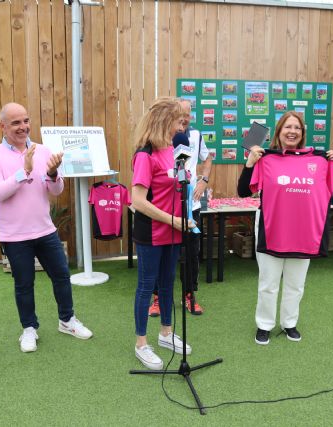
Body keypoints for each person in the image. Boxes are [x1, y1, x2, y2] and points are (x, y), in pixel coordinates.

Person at [0, 102, 92, 353]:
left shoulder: (43, 151)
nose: (23, 127)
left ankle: (67, 320)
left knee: (62, 276)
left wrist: (53, 174)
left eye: (25, 121)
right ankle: (29, 329)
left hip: (45, 230)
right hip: (14, 235)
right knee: (24, 284)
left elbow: (55, 190)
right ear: (2, 126)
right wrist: (24, 171)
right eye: (15, 123)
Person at [237, 111, 333, 345]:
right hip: (271, 228)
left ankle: (289, 323)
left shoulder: (321, 160)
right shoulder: (266, 159)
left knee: (296, 283)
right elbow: (244, 191)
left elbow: (329, 195)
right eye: (287, 127)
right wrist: (249, 163)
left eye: (297, 128)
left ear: (302, 133)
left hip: (303, 232)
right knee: (268, 283)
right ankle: (264, 325)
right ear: (279, 132)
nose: (292, 131)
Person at [131, 96, 194, 370]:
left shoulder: (176, 148)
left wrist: (193, 192)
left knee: (168, 283)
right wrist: (172, 220)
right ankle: (141, 344)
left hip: (175, 229)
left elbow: (181, 185)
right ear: (164, 120)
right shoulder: (144, 154)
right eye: (179, 118)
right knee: (147, 286)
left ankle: (166, 333)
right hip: (152, 232)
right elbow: (138, 201)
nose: (184, 123)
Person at [148, 99, 212, 317]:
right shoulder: (160, 140)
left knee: (191, 254)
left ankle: (189, 295)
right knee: (162, 254)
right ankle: (157, 297)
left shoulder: (193, 136)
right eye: (180, 114)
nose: (184, 118)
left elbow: (207, 158)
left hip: (190, 206)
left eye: (188, 114)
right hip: (166, 208)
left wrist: (204, 180)